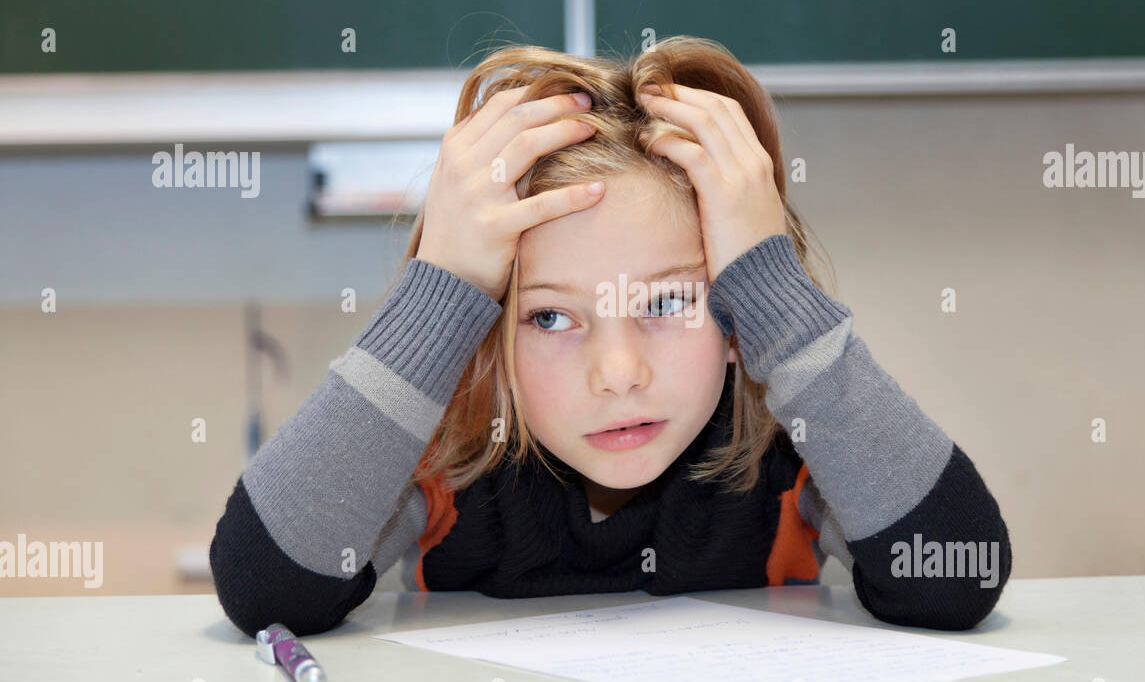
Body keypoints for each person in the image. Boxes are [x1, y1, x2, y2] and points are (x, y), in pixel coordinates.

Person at [209, 36, 1011, 638]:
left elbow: (956, 577)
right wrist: (439, 290)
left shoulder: (799, 451)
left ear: (742, 321)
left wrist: (774, 291)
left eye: (668, 303)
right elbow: (267, 589)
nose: (619, 373)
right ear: (484, 333)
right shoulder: (449, 466)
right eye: (550, 317)